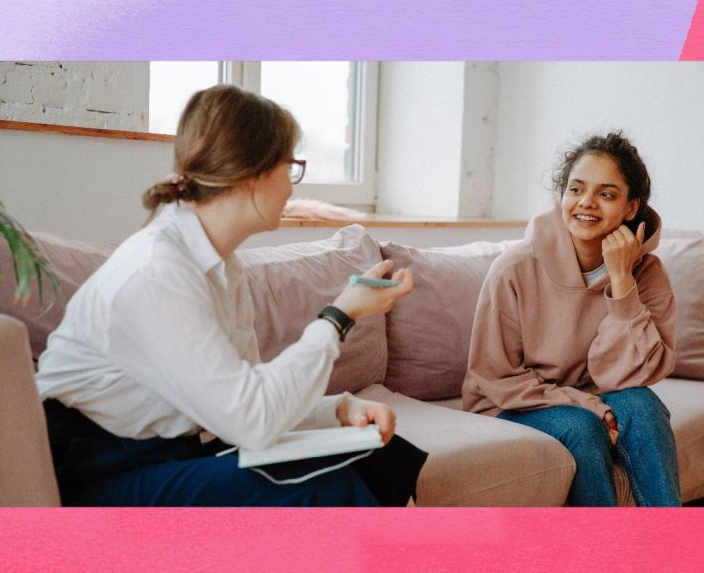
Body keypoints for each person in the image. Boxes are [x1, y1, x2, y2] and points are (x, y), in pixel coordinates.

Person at [35, 84, 426, 507]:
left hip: (164, 454)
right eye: (289, 167)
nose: (292, 188)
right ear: (251, 175)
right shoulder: (157, 273)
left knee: (379, 454)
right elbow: (252, 422)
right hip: (96, 476)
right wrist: (337, 318)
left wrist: (339, 410)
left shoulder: (222, 267)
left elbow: (249, 400)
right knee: (319, 489)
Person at [462, 131, 680, 506]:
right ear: (561, 195)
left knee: (643, 404)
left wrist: (622, 282)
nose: (587, 204)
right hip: (509, 404)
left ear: (631, 208)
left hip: (592, 394)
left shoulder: (648, 274)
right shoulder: (513, 269)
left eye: (607, 194)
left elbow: (639, 375)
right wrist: (590, 405)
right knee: (582, 428)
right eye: (576, 189)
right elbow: (494, 376)